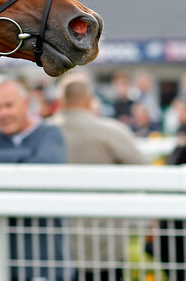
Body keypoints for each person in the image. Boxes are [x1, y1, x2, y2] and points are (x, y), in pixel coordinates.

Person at [0, 79, 70, 281]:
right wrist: (25, 155)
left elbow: (45, 166)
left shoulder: (49, 132)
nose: (3, 114)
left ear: (25, 104)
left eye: (9, 105)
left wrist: (3, 164)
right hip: (3, 257)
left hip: (46, 255)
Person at [49, 72, 145, 281]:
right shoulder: (111, 132)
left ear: (60, 100)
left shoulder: (44, 133)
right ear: (89, 99)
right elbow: (143, 168)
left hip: (57, 245)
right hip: (106, 244)